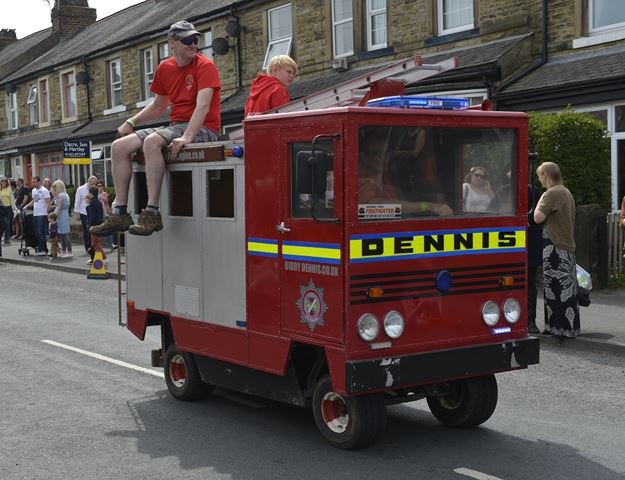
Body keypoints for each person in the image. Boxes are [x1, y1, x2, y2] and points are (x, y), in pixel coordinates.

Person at [91, 20, 221, 238]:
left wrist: (187, 136)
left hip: (203, 127)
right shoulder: (165, 68)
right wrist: (131, 122)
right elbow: (159, 106)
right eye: (188, 40)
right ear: (172, 42)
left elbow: (203, 106)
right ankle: (120, 212)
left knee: (152, 142)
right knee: (118, 147)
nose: (193, 44)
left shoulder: (205, 66)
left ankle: (151, 213)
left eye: (195, 40)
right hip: (175, 126)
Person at [533, 161, 579, 344]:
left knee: (554, 290)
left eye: (540, 176)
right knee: (568, 289)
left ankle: (555, 327)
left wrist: (540, 200)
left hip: (553, 245)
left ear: (546, 174)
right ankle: (569, 327)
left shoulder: (551, 193)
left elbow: (537, 218)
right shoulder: (566, 192)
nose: (540, 180)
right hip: (567, 244)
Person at [358, 134, 452, 216]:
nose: (385, 158)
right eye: (378, 154)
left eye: (387, 153)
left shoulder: (389, 183)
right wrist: (428, 206)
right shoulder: (360, 182)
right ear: (364, 157)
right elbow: (375, 205)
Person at [527, 184, 542, 334]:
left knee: (531, 282)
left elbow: (538, 214)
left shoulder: (533, 191)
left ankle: (530, 321)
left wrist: (528, 221)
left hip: (531, 240)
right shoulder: (505, 189)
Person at [23, 176, 51, 256]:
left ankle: (43, 249)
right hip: (35, 214)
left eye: (34, 182)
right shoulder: (33, 191)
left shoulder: (44, 190)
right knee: (36, 233)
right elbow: (34, 201)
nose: (33, 183)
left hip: (42, 214)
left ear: (39, 182)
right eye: (32, 182)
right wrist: (27, 206)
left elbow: (48, 202)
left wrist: (47, 213)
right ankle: (42, 249)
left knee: (40, 232)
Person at [74, 176, 98, 253]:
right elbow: (77, 201)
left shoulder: (94, 190)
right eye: (93, 183)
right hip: (83, 212)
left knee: (93, 230)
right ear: (89, 182)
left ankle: (94, 246)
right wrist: (76, 213)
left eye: (95, 184)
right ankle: (88, 247)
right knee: (86, 230)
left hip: (92, 212)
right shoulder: (80, 189)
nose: (94, 185)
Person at [52, 179, 73, 258]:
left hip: (61, 216)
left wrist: (53, 216)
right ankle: (64, 251)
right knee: (62, 234)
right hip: (64, 215)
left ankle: (69, 252)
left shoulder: (61, 196)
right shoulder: (65, 194)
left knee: (64, 235)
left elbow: (59, 208)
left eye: (55, 187)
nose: (54, 189)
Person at [86, 186, 107, 264]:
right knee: (95, 242)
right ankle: (93, 258)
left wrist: (90, 225)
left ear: (91, 193)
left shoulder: (92, 203)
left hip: (94, 225)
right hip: (99, 223)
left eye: (89, 192)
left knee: (95, 243)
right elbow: (101, 213)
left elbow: (92, 215)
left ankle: (104, 257)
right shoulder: (98, 202)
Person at [97, 181, 117, 250]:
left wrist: (109, 212)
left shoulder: (105, 194)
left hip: (105, 213)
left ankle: (112, 244)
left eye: (101, 186)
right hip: (98, 214)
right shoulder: (95, 195)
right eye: (99, 186)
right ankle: (98, 246)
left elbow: (106, 203)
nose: (100, 187)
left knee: (108, 228)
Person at [0, 177, 17, 244]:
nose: (4, 183)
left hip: (8, 208)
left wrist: (14, 208)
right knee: (2, 224)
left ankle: (7, 239)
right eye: (2, 181)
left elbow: (12, 199)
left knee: (7, 224)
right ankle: (1, 236)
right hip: (1, 208)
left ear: (7, 182)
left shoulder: (9, 189)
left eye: (5, 181)